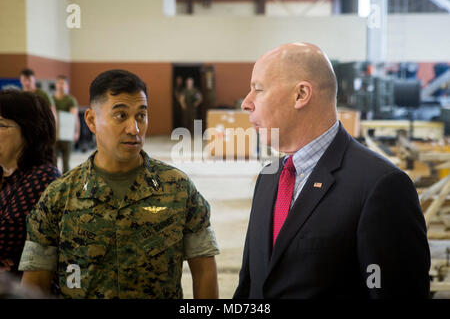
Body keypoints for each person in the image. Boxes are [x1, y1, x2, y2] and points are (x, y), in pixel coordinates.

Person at [234, 43, 430, 299]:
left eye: (258, 89)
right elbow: (250, 285)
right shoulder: (269, 177)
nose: (246, 103)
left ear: (301, 94)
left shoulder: (380, 186)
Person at [19, 69, 220, 299]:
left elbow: (204, 269)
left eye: (141, 116)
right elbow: (35, 284)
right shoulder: (59, 196)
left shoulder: (178, 189)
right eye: (121, 116)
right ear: (92, 120)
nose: (134, 129)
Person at [0, 90, 60, 277]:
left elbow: (4, 236)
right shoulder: (4, 172)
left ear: (29, 132)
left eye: (1, 125)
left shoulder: (43, 177)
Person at [53, 75, 80, 174]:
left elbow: (75, 117)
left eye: (63, 83)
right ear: (56, 85)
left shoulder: (70, 100)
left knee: (66, 162)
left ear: (67, 86)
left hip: (66, 134)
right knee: (53, 160)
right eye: (59, 83)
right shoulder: (51, 99)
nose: (61, 85)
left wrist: (77, 132)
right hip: (54, 134)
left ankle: (66, 184)